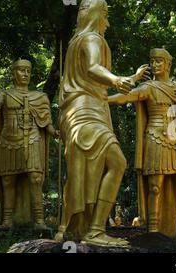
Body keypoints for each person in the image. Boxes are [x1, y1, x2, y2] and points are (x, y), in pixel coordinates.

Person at [55, 0, 148, 247]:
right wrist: (116, 79)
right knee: (117, 162)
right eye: (105, 17)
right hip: (87, 112)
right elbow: (93, 67)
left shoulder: (75, 42)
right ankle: (94, 230)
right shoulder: (92, 39)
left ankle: (79, 228)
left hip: (78, 112)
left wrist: (129, 78)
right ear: (97, 16)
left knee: (84, 170)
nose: (107, 23)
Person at [108, 48, 176, 238]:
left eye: (159, 61)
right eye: (152, 61)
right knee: (155, 187)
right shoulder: (148, 88)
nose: (154, 65)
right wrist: (102, 99)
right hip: (156, 138)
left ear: (168, 64)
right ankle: (153, 230)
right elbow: (125, 97)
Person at [0, 59, 59, 229]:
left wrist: (56, 132)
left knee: (35, 178)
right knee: (8, 180)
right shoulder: (4, 94)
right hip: (8, 140)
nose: (25, 74)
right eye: (21, 70)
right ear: (13, 73)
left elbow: (46, 122)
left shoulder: (39, 97)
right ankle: (7, 220)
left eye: (28, 71)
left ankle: (39, 220)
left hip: (32, 138)